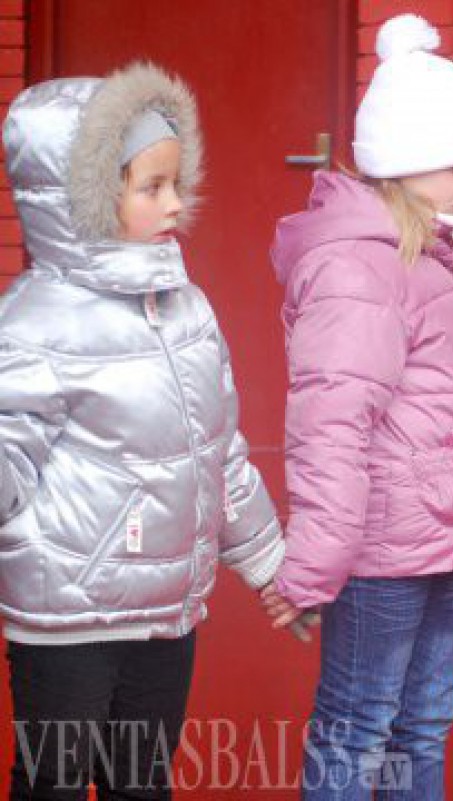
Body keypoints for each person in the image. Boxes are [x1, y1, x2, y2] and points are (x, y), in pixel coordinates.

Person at [0, 62, 284, 799]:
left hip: (164, 612)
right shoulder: (34, 325)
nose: (174, 203)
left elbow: (219, 451)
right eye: (150, 187)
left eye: (175, 183)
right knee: (54, 781)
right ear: (85, 197)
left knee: (142, 780)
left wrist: (269, 563)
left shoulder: (187, 308)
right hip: (67, 618)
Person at [259, 14, 453, 800]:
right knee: (359, 728)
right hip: (381, 554)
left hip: (442, 540)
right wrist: (314, 565)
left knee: (422, 724)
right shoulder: (358, 269)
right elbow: (332, 426)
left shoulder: (436, 256)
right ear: (406, 162)